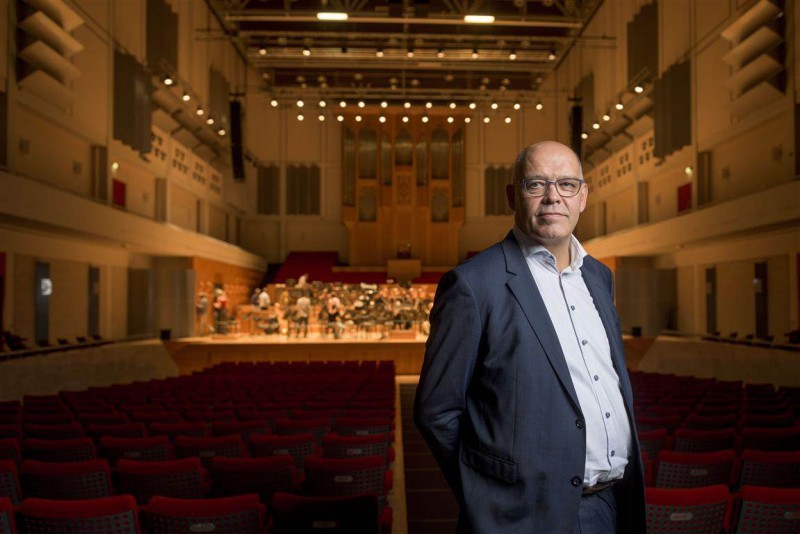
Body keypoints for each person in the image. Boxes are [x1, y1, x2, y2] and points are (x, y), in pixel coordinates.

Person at [414, 141, 646, 533]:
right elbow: (436, 411)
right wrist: (486, 496)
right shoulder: (473, 284)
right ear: (513, 196)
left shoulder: (599, 277)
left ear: (583, 196)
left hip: (608, 507)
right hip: (520, 518)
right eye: (536, 184)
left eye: (567, 185)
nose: (553, 197)